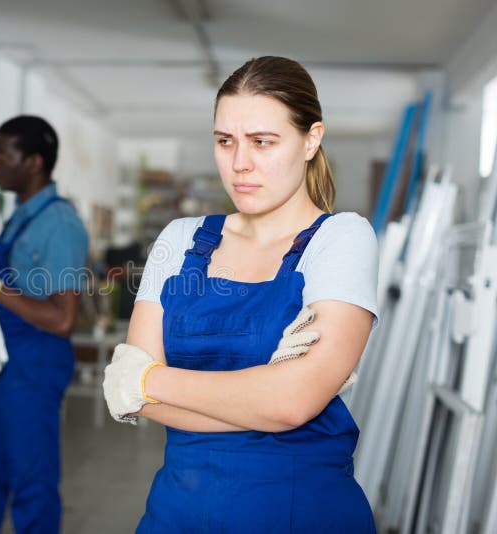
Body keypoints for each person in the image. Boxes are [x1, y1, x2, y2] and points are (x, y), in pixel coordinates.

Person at [102, 56, 379, 532]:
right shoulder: (180, 239)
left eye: (262, 142)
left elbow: (292, 404)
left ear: (311, 139)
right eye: (224, 141)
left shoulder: (342, 239)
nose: (240, 164)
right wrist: (268, 394)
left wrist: (148, 378)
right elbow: (129, 397)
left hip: (299, 513)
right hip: (177, 514)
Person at [0, 115, 89, 534]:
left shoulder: (59, 223)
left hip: (33, 366)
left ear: (33, 162)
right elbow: (20, 295)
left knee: (32, 483)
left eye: (2, 153)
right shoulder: (20, 217)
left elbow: (63, 319)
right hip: (1, 361)